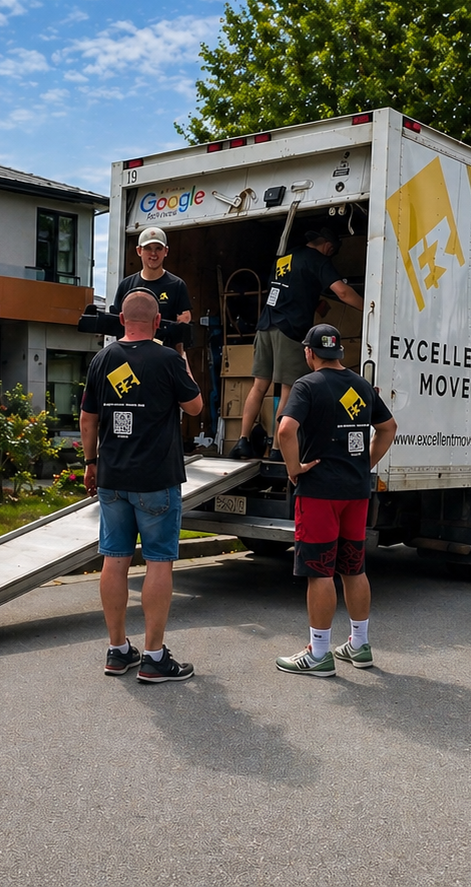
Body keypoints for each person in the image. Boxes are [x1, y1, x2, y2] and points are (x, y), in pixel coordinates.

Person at [79, 289, 205, 683]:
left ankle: (117, 650)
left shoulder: (103, 359)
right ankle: (153, 657)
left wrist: (91, 463)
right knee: (158, 563)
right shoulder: (168, 360)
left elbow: (87, 419)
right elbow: (195, 407)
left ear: (121, 320)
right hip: (156, 480)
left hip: (112, 478)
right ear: (157, 323)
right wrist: (183, 359)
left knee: (113, 559)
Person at [273, 323, 397, 677]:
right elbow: (388, 428)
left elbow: (286, 430)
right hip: (356, 491)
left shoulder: (307, 385)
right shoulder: (361, 385)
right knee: (353, 567)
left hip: (319, 491)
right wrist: (365, 463)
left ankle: (319, 653)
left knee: (319, 571)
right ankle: (359, 644)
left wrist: (294, 468)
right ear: (339, 352)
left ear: (309, 352)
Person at [230, 227, 363, 460]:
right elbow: (342, 292)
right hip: (290, 330)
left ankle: (242, 441)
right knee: (288, 390)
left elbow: (290, 289)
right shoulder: (318, 260)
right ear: (329, 247)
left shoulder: (286, 257)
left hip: (266, 325)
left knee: (259, 386)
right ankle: (277, 449)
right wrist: (370, 307)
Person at [113, 226, 193, 327]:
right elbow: (115, 321)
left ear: (166, 251)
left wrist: (184, 320)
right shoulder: (126, 285)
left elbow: (185, 317)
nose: (153, 253)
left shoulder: (177, 285)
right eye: (148, 248)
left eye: (158, 248)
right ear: (139, 251)